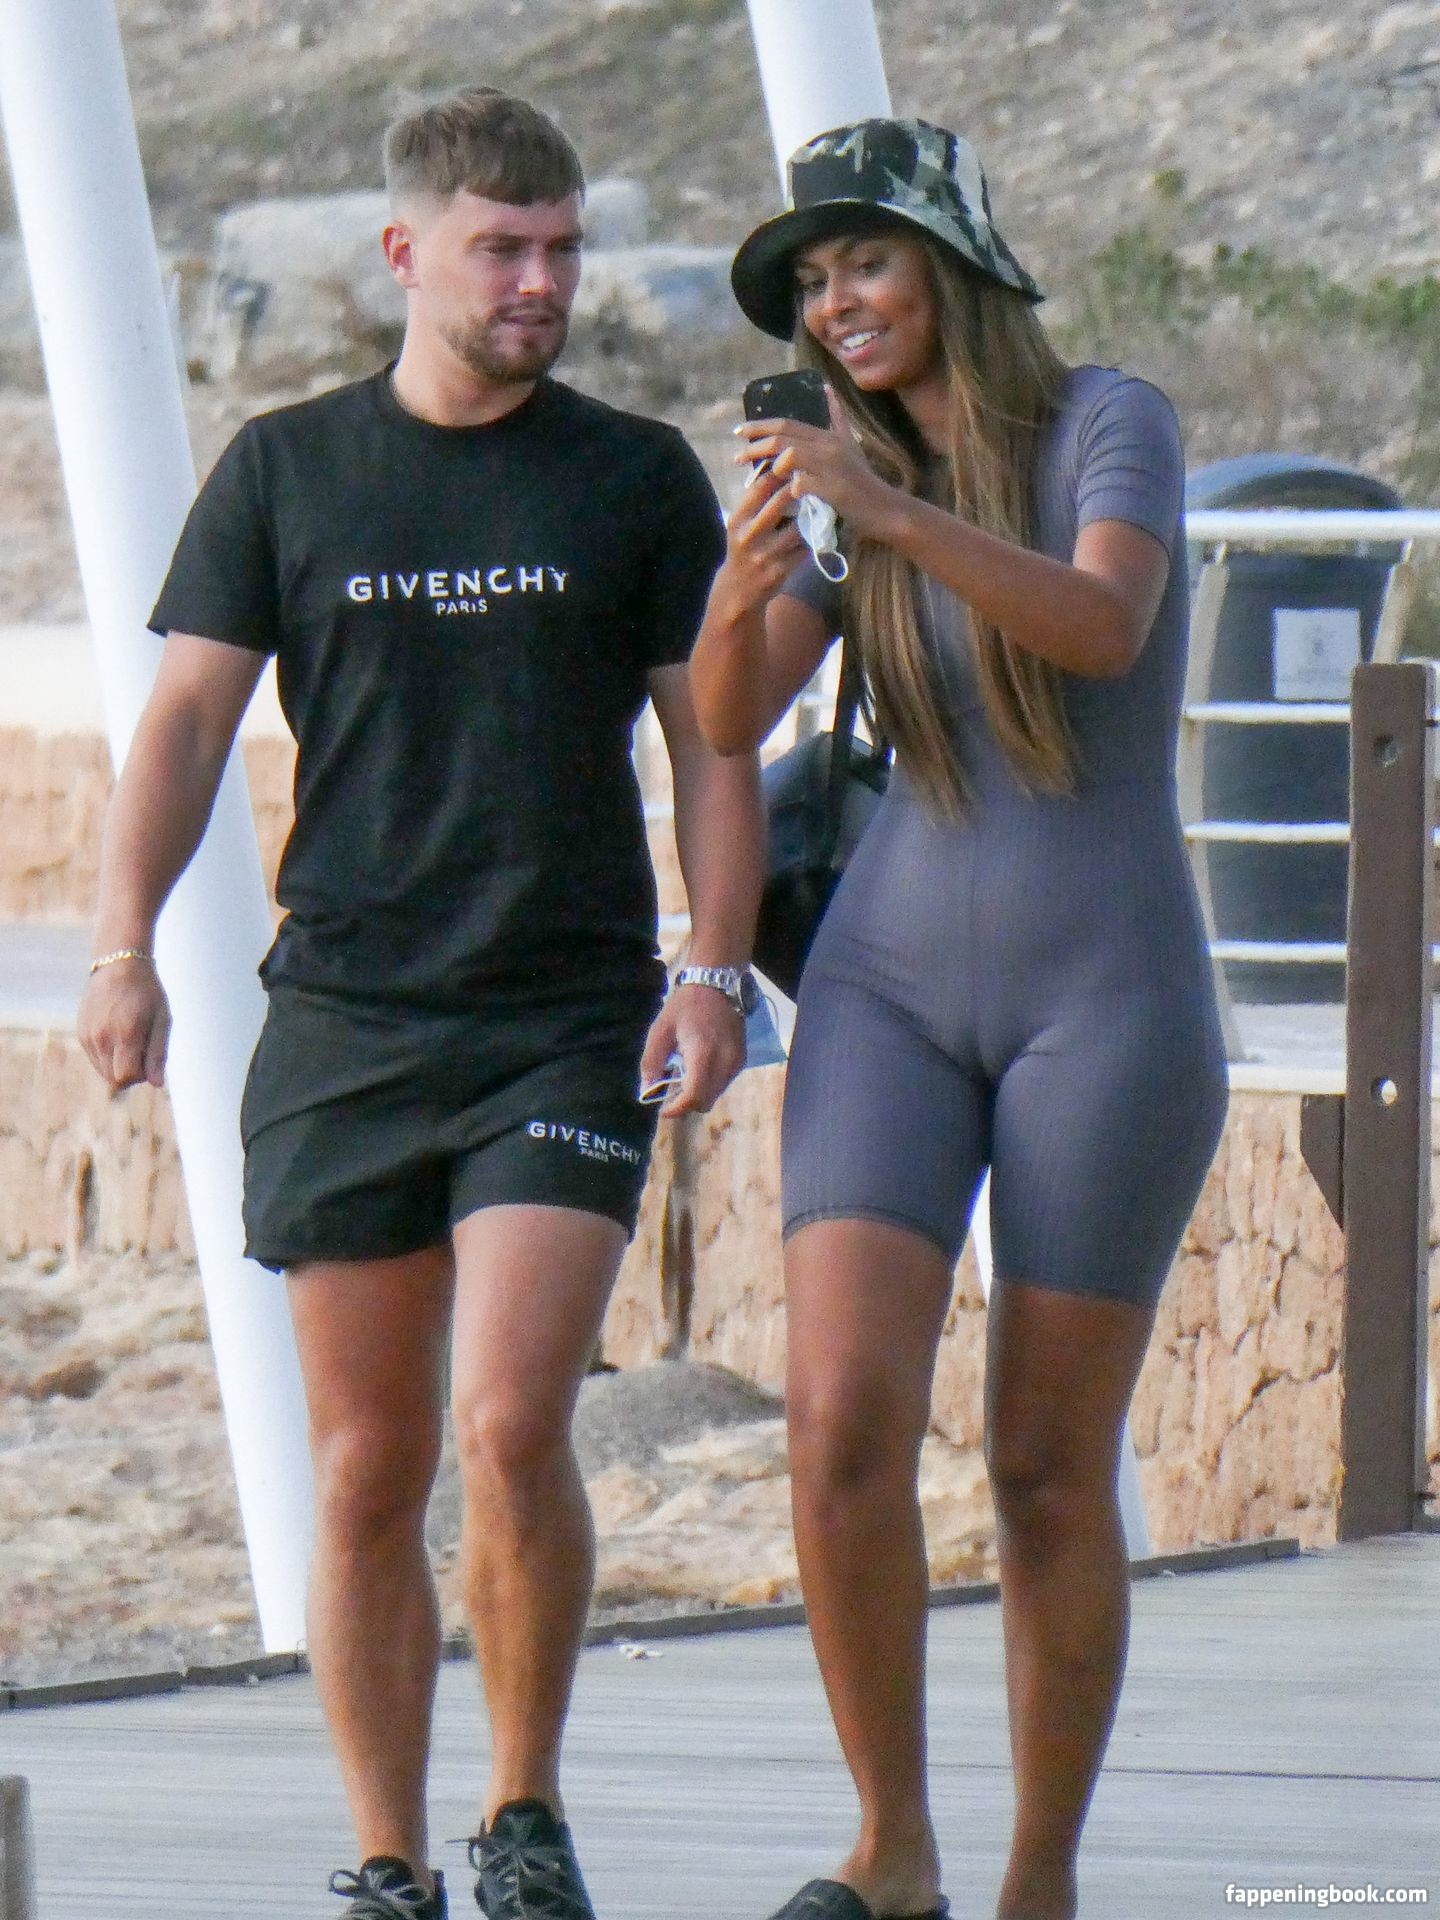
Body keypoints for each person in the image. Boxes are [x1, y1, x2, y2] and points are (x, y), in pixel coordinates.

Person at [77, 85, 762, 1920]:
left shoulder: (632, 474)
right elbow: (187, 723)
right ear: (405, 253)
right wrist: (122, 944)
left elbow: (712, 745)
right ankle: (388, 1855)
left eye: (562, 249)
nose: (540, 282)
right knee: (367, 1465)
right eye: (501, 249)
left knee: (511, 1422)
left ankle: (522, 1815)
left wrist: (710, 964)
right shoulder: (287, 469)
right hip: (350, 1020)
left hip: (562, 1017)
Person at [690, 118, 1228, 1920]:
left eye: (866, 258)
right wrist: (755, 568)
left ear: (955, 262)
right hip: (887, 992)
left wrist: (888, 511)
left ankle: (1035, 1880)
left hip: (1107, 1001)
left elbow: (1102, 623)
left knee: (1043, 1465)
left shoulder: (1106, 421)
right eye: (812, 280)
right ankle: (892, 1847)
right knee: (839, 1422)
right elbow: (723, 716)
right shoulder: (854, 492)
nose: (838, 300)